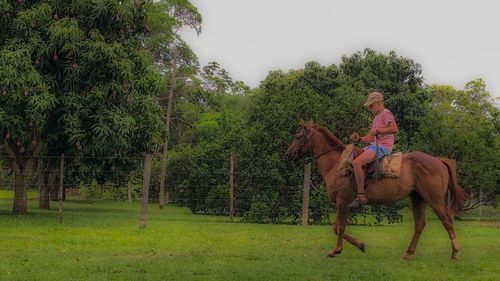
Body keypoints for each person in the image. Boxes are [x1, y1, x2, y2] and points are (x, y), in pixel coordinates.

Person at [347, 92, 399, 209]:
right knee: (352, 156)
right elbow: (370, 138)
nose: (370, 108)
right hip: (373, 146)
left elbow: (394, 129)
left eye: (371, 105)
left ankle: (360, 196)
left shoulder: (386, 113)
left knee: (357, 162)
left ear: (379, 103)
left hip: (383, 147)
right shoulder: (376, 118)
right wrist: (359, 138)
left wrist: (379, 131)